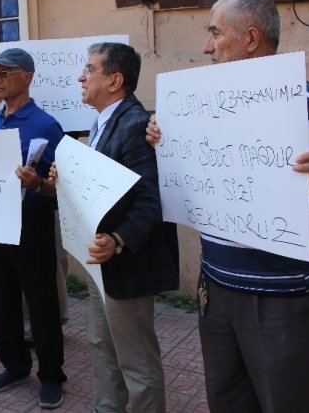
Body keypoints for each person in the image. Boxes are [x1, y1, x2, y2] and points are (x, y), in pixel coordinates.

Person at [146, 0, 309, 413]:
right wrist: (163, 141)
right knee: (228, 400)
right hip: (215, 288)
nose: (206, 47)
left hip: (278, 300)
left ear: (251, 38)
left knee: (288, 402)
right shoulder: (195, 106)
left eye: (214, 33)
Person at [51, 42, 179, 413]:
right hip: (100, 263)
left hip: (126, 265)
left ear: (115, 80)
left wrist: (119, 239)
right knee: (102, 346)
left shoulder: (135, 123)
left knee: (136, 360)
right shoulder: (103, 122)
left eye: (90, 70)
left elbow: (149, 201)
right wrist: (66, 178)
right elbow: (105, 189)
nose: (81, 76)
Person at [0, 48, 67, 409]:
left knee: (41, 302)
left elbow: (63, 186)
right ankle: (15, 366)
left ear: (27, 76)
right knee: (1, 301)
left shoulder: (46, 125)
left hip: (32, 223)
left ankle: (51, 376)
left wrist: (36, 185)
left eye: (4, 73)